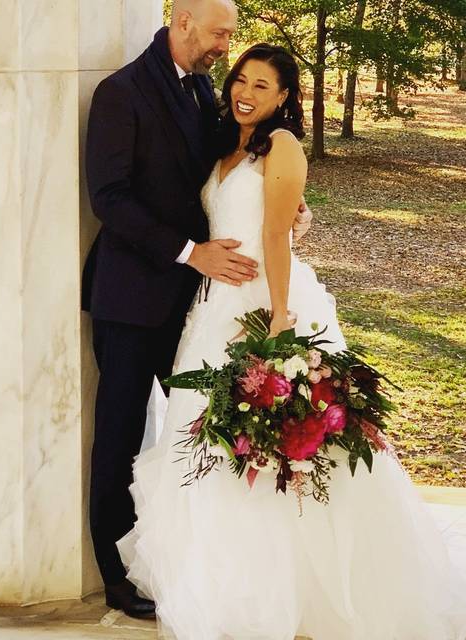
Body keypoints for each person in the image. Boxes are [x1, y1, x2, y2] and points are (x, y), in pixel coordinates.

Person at [116, 43, 466, 640]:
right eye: (240, 80)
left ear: (284, 98)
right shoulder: (224, 142)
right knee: (209, 448)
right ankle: (229, 581)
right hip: (212, 306)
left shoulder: (283, 146)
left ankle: (304, 590)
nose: (245, 93)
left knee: (278, 447)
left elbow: (276, 235)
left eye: (262, 86)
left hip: (265, 302)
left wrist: (279, 319)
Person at [82, 0, 313, 620]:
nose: (226, 48)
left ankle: (215, 565)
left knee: (209, 439)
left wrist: (289, 211)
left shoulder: (203, 89)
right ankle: (117, 570)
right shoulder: (120, 92)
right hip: (131, 300)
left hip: (201, 308)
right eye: (220, 34)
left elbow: (233, 174)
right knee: (122, 437)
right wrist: (192, 253)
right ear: (182, 21)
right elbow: (110, 199)